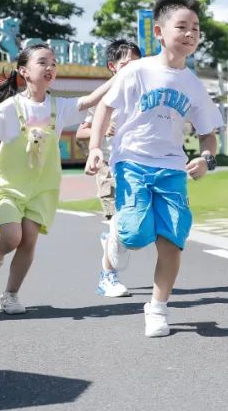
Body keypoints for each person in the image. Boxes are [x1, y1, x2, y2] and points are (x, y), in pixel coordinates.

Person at [85, 0, 222, 337]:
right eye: (182, 26)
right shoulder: (137, 71)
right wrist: (95, 148)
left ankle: (158, 309)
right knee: (135, 235)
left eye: (196, 28)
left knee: (172, 240)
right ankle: (118, 232)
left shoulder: (194, 85)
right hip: (132, 161)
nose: (190, 33)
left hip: (172, 168)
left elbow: (209, 134)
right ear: (159, 32)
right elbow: (105, 107)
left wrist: (206, 159)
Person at [0, 43, 114, 314]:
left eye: (53, 63)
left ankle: (10, 295)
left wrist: (123, 74)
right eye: (42, 62)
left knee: (28, 240)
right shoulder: (11, 108)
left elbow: (91, 99)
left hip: (42, 187)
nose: (50, 67)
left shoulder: (59, 106)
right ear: (24, 71)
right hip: (10, 186)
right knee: (11, 237)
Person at [74, 39, 141, 297]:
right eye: (125, 64)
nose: (131, 68)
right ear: (112, 67)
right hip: (109, 168)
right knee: (117, 223)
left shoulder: (145, 90)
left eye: (136, 62)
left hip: (137, 166)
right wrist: (102, 129)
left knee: (132, 228)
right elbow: (82, 132)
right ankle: (108, 278)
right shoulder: (105, 96)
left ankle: (110, 240)